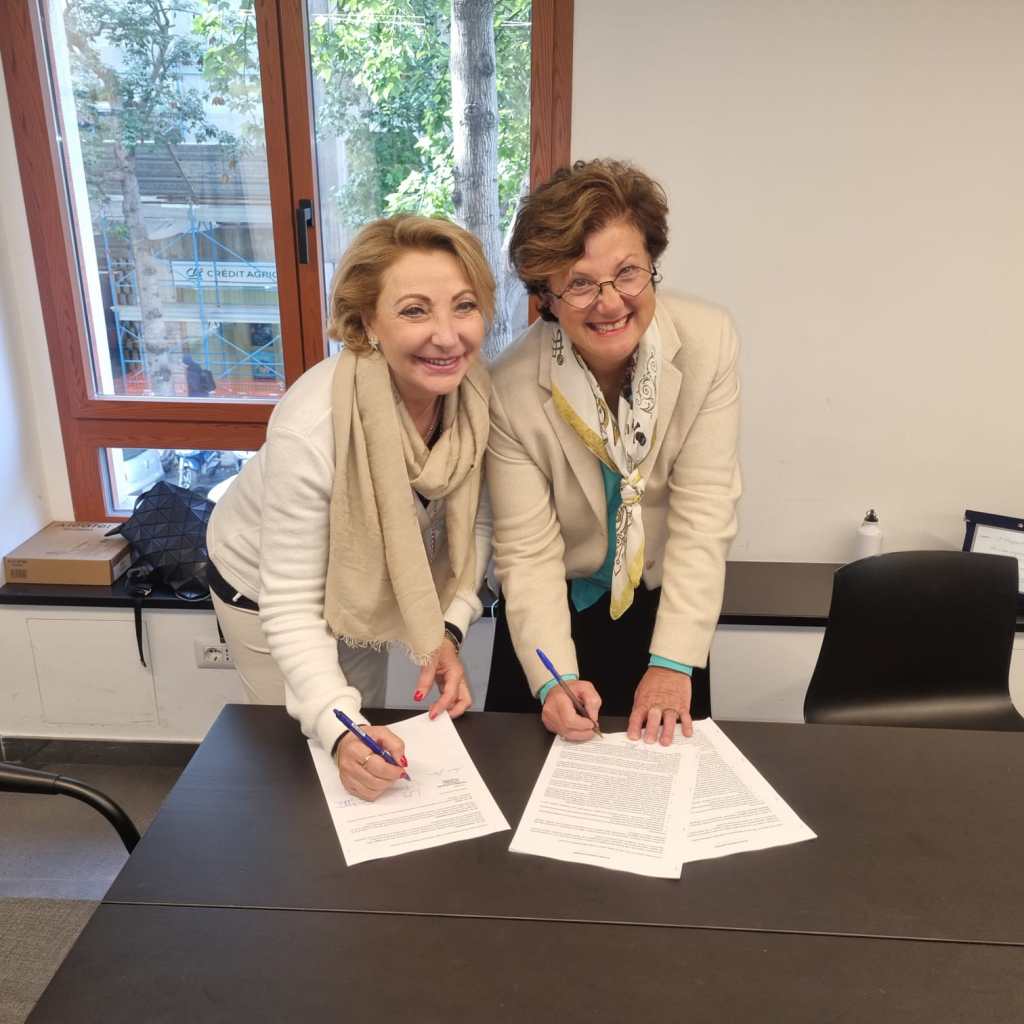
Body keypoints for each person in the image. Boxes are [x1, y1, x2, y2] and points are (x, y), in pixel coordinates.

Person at [206, 215, 494, 800]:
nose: (447, 336)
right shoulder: (312, 425)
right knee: (303, 751)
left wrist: (448, 629)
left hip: (361, 588)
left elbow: (480, 523)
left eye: (464, 306)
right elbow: (291, 604)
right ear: (366, 323)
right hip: (263, 591)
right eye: (415, 311)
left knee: (363, 724)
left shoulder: (477, 397)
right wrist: (339, 731)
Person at [485, 159, 741, 747]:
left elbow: (704, 512)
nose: (610, 303)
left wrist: (674, 662)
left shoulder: (709, 342)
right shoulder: (510, 386)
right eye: (579, 283)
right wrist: (554, 679)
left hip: (665, 611)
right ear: (546, 296)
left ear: (652, 266)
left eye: (628, 273)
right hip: (554, 611)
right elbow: (527, 552)